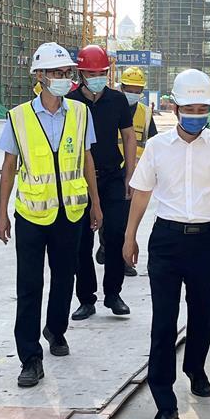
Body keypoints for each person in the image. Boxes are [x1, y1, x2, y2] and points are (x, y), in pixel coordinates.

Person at [124, 68, 210, 419]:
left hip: (207, 240)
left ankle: (195, 367)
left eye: (202, 109)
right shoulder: (158, 147)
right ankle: (165, 404)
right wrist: (129, 236)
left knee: (201, 313)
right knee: (163, 322)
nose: (196, 115)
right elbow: (142, 192)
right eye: (189, 108)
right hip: (167, 240)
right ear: (175, 108)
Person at [0, 42, 102, 388]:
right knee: (29, 286)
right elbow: (9, 166)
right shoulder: (19, 117)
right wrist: (2, 213)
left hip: (70, 213)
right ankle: (30, 358)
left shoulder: (80, 113)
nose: (63, 78)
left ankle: (56, 330)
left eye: (66, 72)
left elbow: (86, 159)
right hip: (30, 215)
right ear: (39, 76)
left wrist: (96, 204)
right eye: (56, 72)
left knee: (64, 278)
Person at [67, 45, 136, 320]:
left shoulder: (117, 100)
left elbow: (129, 136)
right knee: (82, 241)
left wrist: (130, 173)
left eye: (101, 73)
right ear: (81, 74)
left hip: (112, 177)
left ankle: (113, 294)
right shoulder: (70, 102)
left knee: (116, 234)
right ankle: (86, 299)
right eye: (91, 73)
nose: (97, 78)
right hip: (79, 180)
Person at [96, 66, 158, 277]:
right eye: (129, 89)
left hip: (135, 173)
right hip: (112, 170)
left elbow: (152, 142)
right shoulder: (110, 107)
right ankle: (106, 245)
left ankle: (122, 260)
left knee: (126, 219)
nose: (133, 93)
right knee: (109, 217)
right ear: (121, 87)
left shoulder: (145, 113)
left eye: (137, 90)